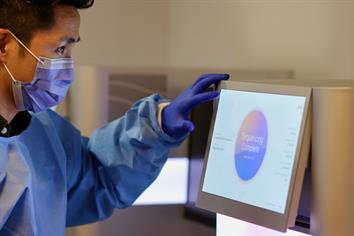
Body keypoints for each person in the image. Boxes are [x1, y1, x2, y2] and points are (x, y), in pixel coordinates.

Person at [0, 0, 229, 235]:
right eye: (60, 49)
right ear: (4, 45)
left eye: (70, 51)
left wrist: (158, 125)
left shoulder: (34, 130)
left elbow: (95, 177)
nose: (68, 67)